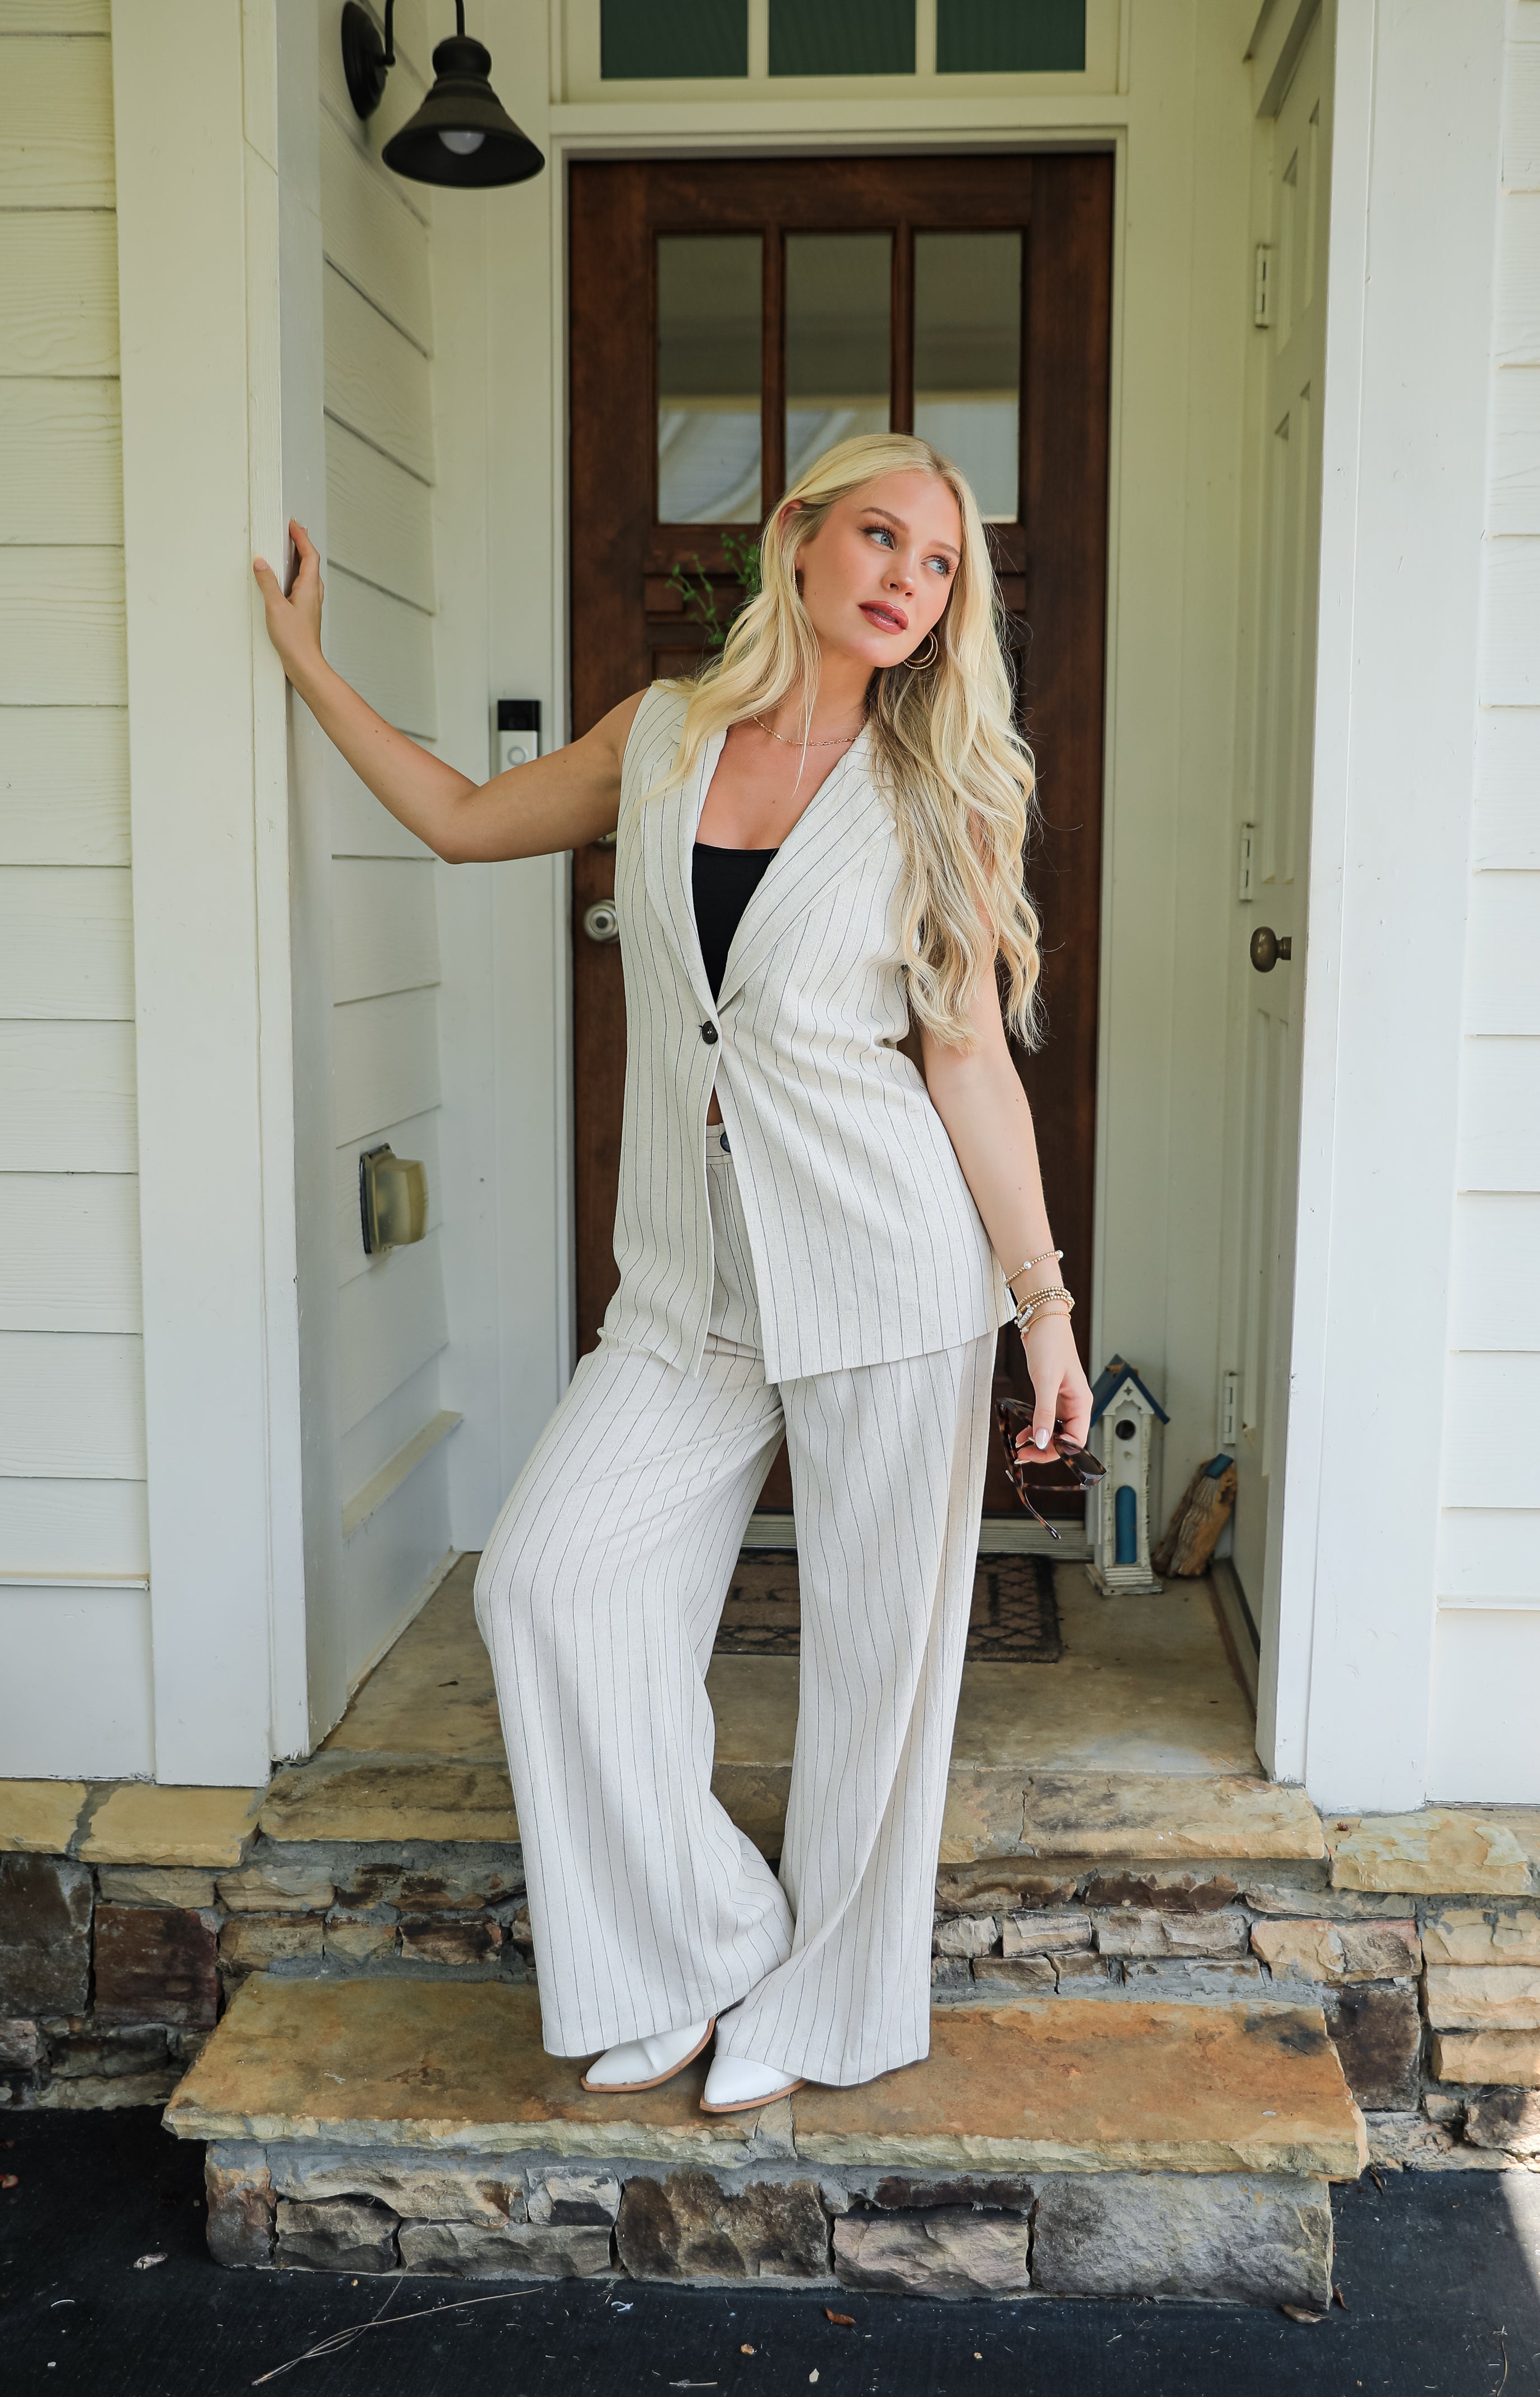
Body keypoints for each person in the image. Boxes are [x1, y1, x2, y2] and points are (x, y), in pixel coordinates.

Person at [254, 431, 1092, 2116]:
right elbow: (462, 822)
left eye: (940, 566)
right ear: (797, 535)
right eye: (882, 538)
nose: (908, 584)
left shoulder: (933, 788)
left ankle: (832, 2007)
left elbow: (964, 1061)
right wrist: (308, 665)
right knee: (547, 1587)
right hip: (683, 1283)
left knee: (879, 1670)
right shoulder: (660, 738)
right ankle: (700, 1947)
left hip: (885, 1273)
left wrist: (1044, 1309)